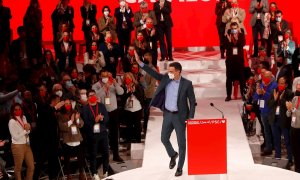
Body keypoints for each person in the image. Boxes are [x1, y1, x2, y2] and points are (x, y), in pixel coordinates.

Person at [135, 51, 196, 176]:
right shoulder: (165, 78)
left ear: (178, 71)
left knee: (182, 144)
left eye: (172, 71)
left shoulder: (187, 84)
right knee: (164, 138)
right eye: (169, 71)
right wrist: (140, 63)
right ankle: (173, 155)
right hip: (168, 115)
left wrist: (190, 117)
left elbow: (192, 101)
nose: (169, 73)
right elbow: (152, 72)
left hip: (180, 117)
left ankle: (180, 167)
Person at [92, 69, 124, 162]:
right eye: (103, 76)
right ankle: (103, 156)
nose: (105, 78)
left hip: (113, 111)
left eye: (107, 76)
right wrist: (104, 87)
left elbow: (121, 92)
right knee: (102, 134)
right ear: (100, 77)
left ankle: (116, 155)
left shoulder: (112, 84)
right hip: (102, 112)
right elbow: (95, 97)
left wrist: (116, 83)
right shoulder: (96, 86)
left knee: (114, 134)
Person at [81, 89, 109, 180]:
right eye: (90, 95)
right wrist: (95, 120)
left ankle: (106, 171)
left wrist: (101, 119)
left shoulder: (101, 106)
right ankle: (94, 173)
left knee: (106, 153)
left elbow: (107, 119)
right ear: (87, 97)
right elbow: (85, 122)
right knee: (93, 154)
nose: (92, 97)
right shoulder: (85, 108)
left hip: (103, 133)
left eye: (94, 95)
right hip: (92, 135)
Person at [268, 77, 293, 165]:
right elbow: (269, 105)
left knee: (287, 141)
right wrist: (275, 99)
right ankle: (277, 157)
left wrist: (281, 99)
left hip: (284, 120)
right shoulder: (274, 91)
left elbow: (289, 107)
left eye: (282, 83)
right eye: (279, 83)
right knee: (276, 140)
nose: (280, 85)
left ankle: (290, 159)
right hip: (274, 120)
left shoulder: (290, 93)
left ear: (286, 85)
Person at [58, 98, 85, 180]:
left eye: (69, 103)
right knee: (67, 159)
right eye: (66, 103)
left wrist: (76, 119)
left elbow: (81, 124)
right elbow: (61, 126)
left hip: (77, 138)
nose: (68, 105)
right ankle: (68, 174)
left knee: (81, 157)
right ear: (63, 105)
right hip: (67, 139)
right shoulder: (60, 114)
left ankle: (81, 173)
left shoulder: (75, 112)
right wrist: (71, 120)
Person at [8, 103, 34, 180]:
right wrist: (25, 130)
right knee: (18, 168)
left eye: (19, 109)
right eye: (16, 109)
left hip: (26, 144)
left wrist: (27, 130)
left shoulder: (24, 117)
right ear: (12, 111)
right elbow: (15, 137)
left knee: (31, 166)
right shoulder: (12, 121)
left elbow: (28, 130)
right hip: (17, 146)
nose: (18, 111)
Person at [254, 71, 277, 156]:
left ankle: (276, 147)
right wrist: (258, 93)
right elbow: (256, 97)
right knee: (266, 130)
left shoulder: (275, 85)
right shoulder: (261, 84)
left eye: (268, 76)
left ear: (271, 76)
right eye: (264, 76)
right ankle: (268, 148)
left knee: (273, 131)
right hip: (263, 111)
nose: (265, 77)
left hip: (271, 111)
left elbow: (273, 98)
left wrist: (264, 93)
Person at [224, 22, 246, 102]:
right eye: (232, 28)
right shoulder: (227, 36)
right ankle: (228, 95)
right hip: (230, 60)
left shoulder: (241, 35)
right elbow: (226, 46)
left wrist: (237, 40)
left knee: (242, 78)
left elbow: (243, 44)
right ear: (230, 28)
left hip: (239, 60)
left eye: (235, 28)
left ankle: (243, 95)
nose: (234, 30)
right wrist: (230, 41)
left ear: (237, 28)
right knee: (229, 78)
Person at [121, 72, 144, 144]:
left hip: (137, 109)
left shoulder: (137, 86)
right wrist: (129, 92)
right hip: (127, 109)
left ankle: (138, 141)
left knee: (137, 126)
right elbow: (122, 98)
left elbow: (141, 97)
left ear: (132, 78)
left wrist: (134, 92)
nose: (128, 79)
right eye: (126, 78)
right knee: (129, 127)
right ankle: (128, 142)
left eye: (129, 77)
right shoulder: (123, 87)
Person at [140, 52, 157, 132]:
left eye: (148, 58)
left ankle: (145, 127)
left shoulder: (153, 70)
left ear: (151, 59)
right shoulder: (141, 68)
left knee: (146, 111)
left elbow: (152, 85)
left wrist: (145, 92)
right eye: (145, 58)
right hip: (140, 93)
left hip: (148, 94)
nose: (146, 59)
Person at [23, 0, 43, 66]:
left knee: (38, 47)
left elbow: (39, 19)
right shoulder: (28, 11)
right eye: (33, 3)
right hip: (30, 32)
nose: (34, 5)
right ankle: (32, 63)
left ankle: (38, 63)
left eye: (35, 3)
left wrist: (34, 14)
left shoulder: (39, 11)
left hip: (37, 32)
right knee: (31, 48)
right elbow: (26, 21)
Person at [286, 82, 300, 173]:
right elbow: (288, 115)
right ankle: (297, 167)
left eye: (299, 89)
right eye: (297, 88)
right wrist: (289, 109)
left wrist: (293, 109)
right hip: (293, 127)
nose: (297, 90)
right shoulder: (295, 98)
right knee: (295, 149)